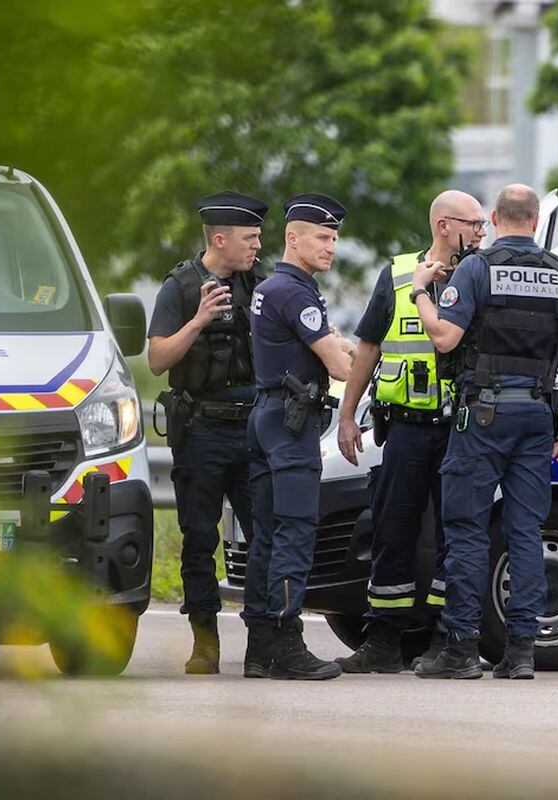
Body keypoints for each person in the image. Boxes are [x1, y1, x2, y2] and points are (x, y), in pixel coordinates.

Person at [409, 184, 558, 680]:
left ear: (493, 218)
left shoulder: (477, 269)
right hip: (538, 418)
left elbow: (444, 336)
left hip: (483, 417)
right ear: (535, 220)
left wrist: (419, 294)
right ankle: (520, 653)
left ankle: (463, 648)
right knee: (526, 532)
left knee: (468, 532)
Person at [334, 190, 486, 674]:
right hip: (405, 428)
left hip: (462, 426)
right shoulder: (398, 274)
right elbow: (368, 347)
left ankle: (445, 639)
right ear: (444, 225)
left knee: (455, 536)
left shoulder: (482, 273)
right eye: (474, 223)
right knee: (391, 529)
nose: (483, 232)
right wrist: (347, 414)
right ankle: (383, 640)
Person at [147, 190, 267, 675]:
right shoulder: (179, 286)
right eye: (250, 238)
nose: (258, 246)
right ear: (220, 239)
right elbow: (157, 359)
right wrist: (198, 320)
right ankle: (205, 643)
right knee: (199, 539)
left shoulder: (258, 283)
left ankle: (262, 642)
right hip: (201, 430)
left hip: (253, 427)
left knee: (265, 535)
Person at [242, 193, 355, 680]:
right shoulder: (296, 291)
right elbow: (340, 367)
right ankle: (287, 645)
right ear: (294, 238)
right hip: (291, 424)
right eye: (323, 238)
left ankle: (258, 648)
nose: (331, 247)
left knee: (266, 535)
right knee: (294, 530)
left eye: (334, 239)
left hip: (267, 415)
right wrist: (355, 355)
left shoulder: (273, 287)